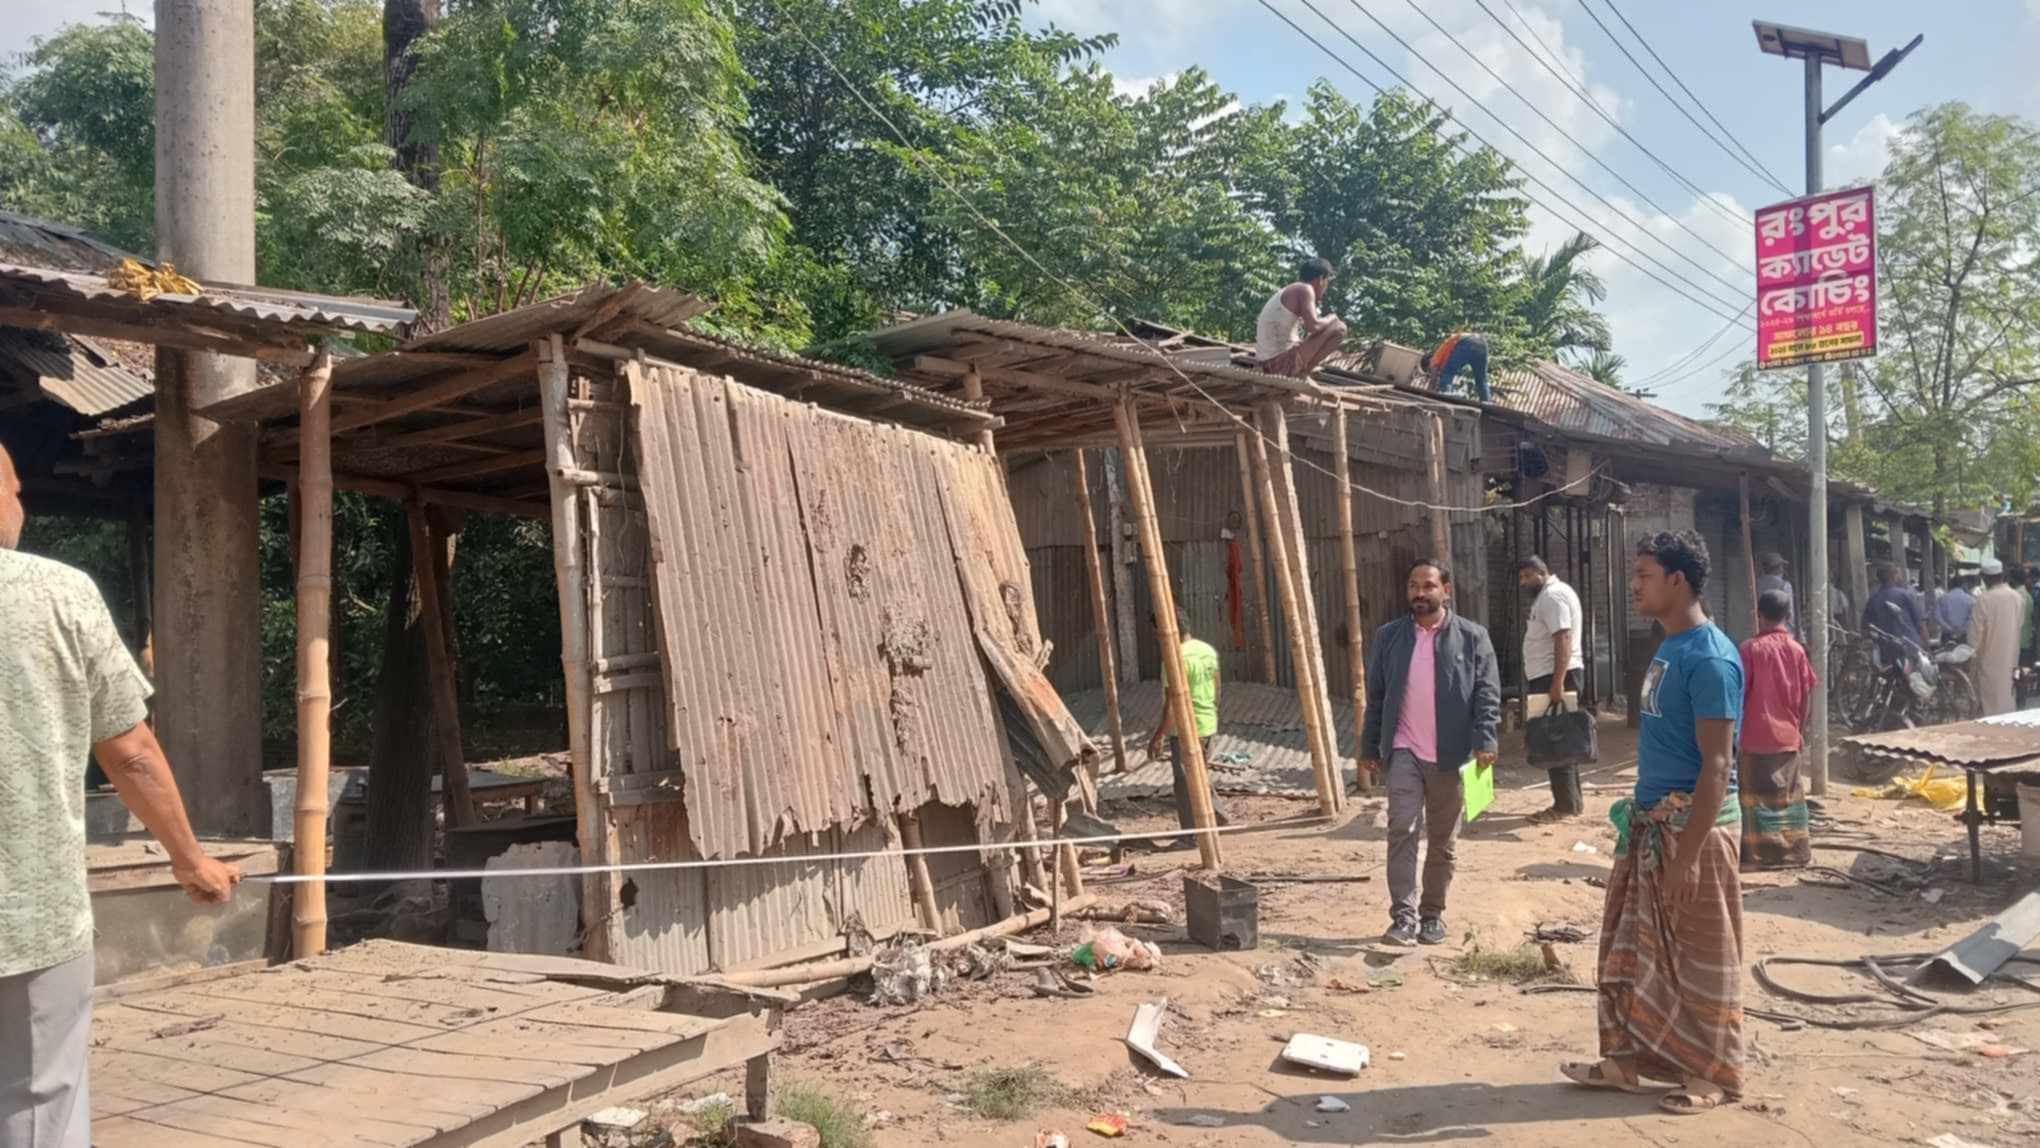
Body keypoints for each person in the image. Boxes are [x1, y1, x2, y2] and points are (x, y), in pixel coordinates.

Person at [0, 443, 243, 1147]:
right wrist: (191, 860)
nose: (22, 506)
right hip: (29, 916)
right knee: (38, 1101)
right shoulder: (56, 595)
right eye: (15, 490)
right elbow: (130, 752)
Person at [1562, 530, 1744, 1116]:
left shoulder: (1711, 658)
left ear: (1677, 581)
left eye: (1643, 574)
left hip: (1695, 832)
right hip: (1649, 825)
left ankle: (1713, 1075)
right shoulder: (1669, 647)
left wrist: (1687, 855)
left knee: (1700, 956)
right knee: (1629, 951)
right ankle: (1626, 1063)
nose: (1634, 584)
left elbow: (1717, 766)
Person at [1358, 559, 1500, 947]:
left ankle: (1432, 914)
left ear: (1445, 590)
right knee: (1401, 829)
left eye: (1428, 585)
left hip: (1450, 755)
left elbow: (1487, 694)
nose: (1420, 593)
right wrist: (1370, 746)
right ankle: (1402, 918)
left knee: (1442, 840)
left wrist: (1486, 740)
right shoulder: (1389, 637)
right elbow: (1378, 696)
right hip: (1403, 749)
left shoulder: (1472, 637)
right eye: (1413, 585)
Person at [1738, 590, 1816, 869]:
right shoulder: (1796, 650)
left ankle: (1756, 857)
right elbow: (1806, 694)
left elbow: (1740, 694)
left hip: (1754, 735)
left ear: (1758, 614)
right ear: (1788, 616)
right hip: (1787, 735)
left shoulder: (1749, 649)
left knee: (1754, 798)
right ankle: (1794, 854)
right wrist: (1800, 730)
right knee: (1789, 796)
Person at [1144, 608, 1229, 837]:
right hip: (1208, 723)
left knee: (1185, 785)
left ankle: (1192, 835)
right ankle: (1218, 816)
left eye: (1157, 632)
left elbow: (1171, 704)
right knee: (1199, 774)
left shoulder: (1174, 659)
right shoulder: (1207, 651)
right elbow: (1217, 690)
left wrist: (1158, 736)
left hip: (1184, 729)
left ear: (1165, 631)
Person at [1518, 555, 1586, 819]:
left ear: (1539, 572)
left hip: (1555, 676)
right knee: (1562, 739)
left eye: (1526, 577)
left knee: (1554, 741)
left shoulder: (1552, 597)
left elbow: (1563, 638)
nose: (1523, 583)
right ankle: (1572, 802)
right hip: (1552, 675)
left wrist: (1556, 683)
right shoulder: (1549, 595)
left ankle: (1564, 805)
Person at [1253, 257, 1348, 379]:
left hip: (1268, 363)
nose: (1325, 289)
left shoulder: (1293, 289)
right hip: (1278, 366)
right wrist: (1332, 317)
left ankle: (1302, 372)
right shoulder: (1305, 289)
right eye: (1327, 282)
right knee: (1340, 328)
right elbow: (1313, 326)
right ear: (1321, 279)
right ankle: (1303, 373)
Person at [1969, 559, 2023, 716]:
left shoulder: (1984, 599)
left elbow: (1975, 636)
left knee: (1990, 702)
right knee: (2008, 696)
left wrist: (1970, 655)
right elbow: (2018, 626)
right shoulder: (2017, 597)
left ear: (1985, 578)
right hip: (2012, 657)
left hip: (1989, 659)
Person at [1863, 563, 1923, 649]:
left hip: (1884, 647)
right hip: (1909, 645)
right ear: (1893, 577)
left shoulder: (1873, 599)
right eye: (1898, 573)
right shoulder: (1905, 595)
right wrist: (1926, 645)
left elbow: (1865, 627)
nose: (1901, 576)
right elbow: (1920, 624)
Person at [1424, 331, 1491, 402]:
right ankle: (1486, 402)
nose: (1430, 372)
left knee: (1448, 372)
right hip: (1482, 343)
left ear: (1428, 362)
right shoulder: (1443, 355)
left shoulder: (1434, 358)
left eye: (1428, 371)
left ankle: (1445, 396)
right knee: (1481, 379)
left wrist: (1428, 393)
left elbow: (1433, 377)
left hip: (1467, 342)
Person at [1937, 575, 1976, 642]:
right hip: (1964, 636)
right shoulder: (1971, 600)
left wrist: (1948, 628)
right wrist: (1961, 630)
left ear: (1951, 584)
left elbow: (1937, 616)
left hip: (1946, 635)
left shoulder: (1942, 598)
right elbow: (1972, 618)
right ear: (1963, 584)